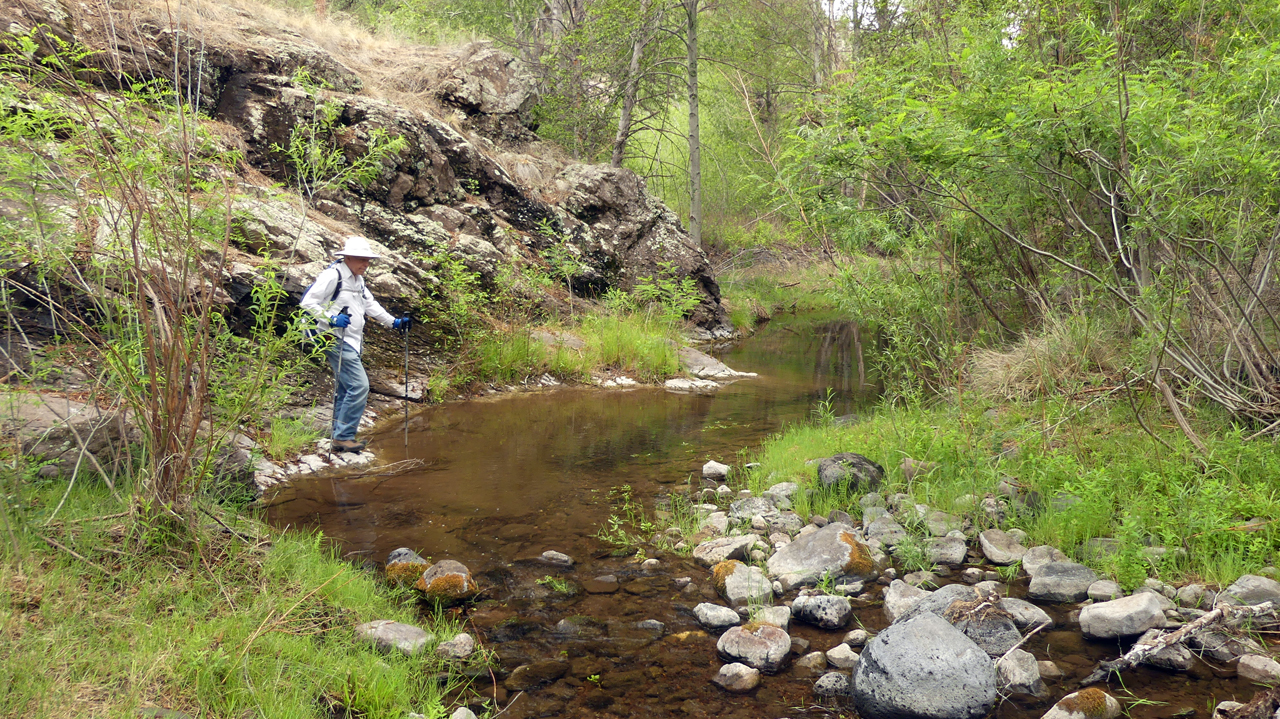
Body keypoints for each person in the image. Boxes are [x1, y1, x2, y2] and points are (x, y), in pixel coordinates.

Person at [301, 236, 412, 452]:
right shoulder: (333, 276)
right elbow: (308, 303)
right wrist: (331, 319)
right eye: (362, 260)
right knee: (360, 386)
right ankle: (344, 437)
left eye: (368, 260)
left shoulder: (357, 279)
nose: (366, 264)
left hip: (351, 339)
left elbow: (370, 304)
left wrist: (394, 322)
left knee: (346, 387)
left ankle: (339, 436)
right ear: (348, 257)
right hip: (331, 337)